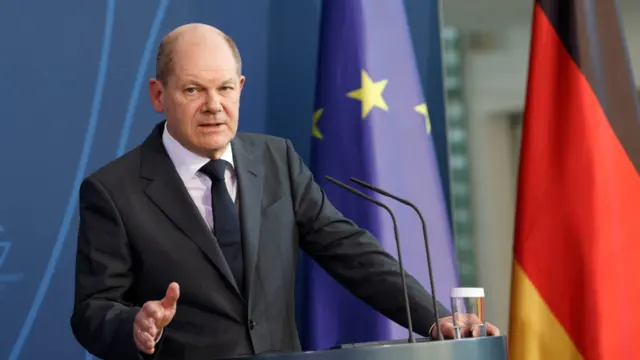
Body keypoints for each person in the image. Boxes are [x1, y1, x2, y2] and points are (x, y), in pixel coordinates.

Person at [69, 23, 499, 360]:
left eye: (224, 88)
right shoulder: (113, 191)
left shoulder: (277, 160)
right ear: (158, 95)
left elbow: (351, 253)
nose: (214, 105)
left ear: (241, 87)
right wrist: (136, 327)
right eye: (193, 90)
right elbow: (92, 310)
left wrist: (435, 319)